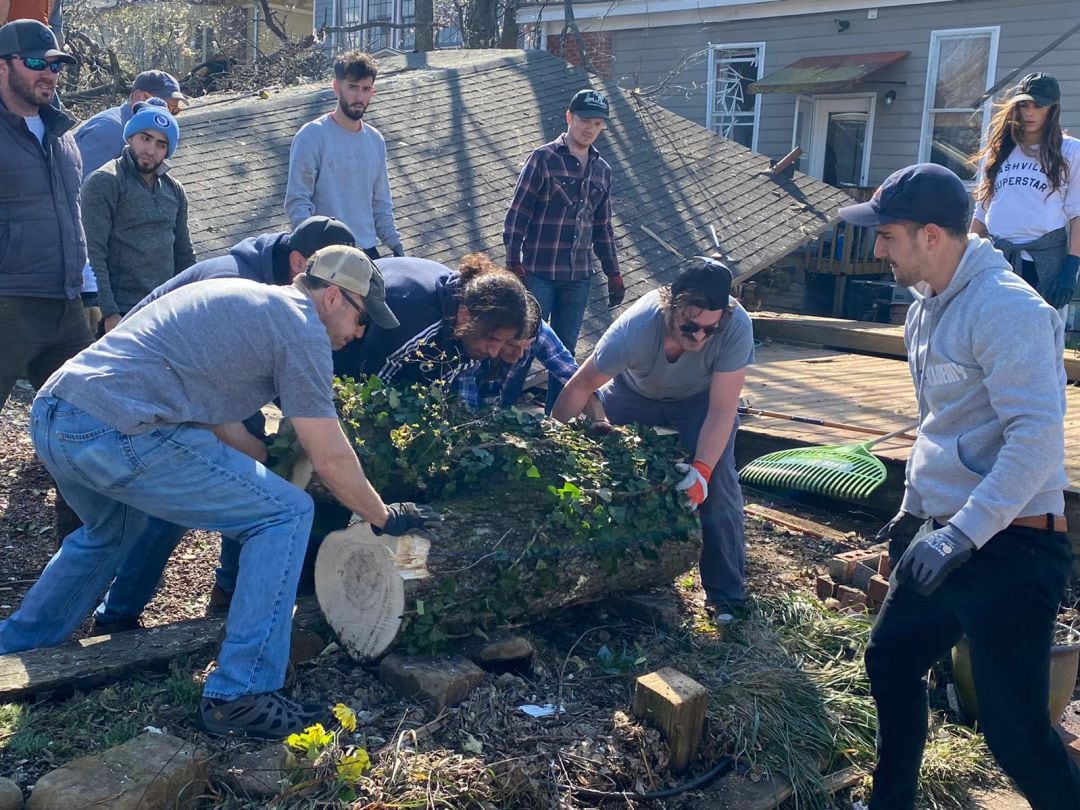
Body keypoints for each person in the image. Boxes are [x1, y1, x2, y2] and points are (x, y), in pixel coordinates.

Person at [0, 245, 442, 739]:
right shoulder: (301, 328)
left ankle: (18, 649)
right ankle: (241, 695)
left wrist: (263, 456)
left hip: (56, 416)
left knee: (113, 528)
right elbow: (330, 457)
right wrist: (383, 516)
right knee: (285, 514)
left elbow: (214, 413)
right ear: (335, 296)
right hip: (113, 429)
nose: (360, 333)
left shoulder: (240, 297)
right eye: (361, 319)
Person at [839, 163, 1080, 809]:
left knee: (1014, 733)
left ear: (932, 236)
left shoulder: (1007, 309)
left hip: (1015, 545)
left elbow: (1036, 441)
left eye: (887, 235)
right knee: (890, 658)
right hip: (948, 532)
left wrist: (961, 536)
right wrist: (910, 517)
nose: (877, 249)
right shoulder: (923, 310)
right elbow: (936, 427)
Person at [88, 216, 357, 634]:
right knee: (183, 498)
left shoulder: (282, 293)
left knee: (249, 481)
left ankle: (227, 595)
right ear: (303, 264)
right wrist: (251, 442)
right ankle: (118, 616)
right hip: (150, 395)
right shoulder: (235, 280)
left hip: (203, 389)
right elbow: (198, 374)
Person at [552, 257, 754, 615]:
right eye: (690, 327)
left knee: (720, 479)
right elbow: (579, 386)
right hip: (634, 394)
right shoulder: (635, 330)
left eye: (710, 329)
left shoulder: (736, 326)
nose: (700, 336)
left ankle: (727, 596)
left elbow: (722, 409)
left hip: (699, 400)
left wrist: (703, 469)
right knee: (605, 459)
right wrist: (552, 449)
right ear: (670, 307)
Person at [503, 88, 625, 412]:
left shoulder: (603, 171)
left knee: (565, 351)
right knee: (524, 344)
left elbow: (603, 228)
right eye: (585, 120)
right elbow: (517, 215)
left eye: (598, 124)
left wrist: (613, 272)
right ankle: (500, 411)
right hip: (539, 272)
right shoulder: (543, 158)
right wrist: (513, 263)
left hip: (579, 277)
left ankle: (556, 420)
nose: (590, 128)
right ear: (570, 118)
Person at [0, 18, 85, 413]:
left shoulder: (64, 135)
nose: (50, 74)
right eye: (36, 63)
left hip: (66, 307)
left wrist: (87, 288)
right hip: (9, 304)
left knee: (83, 417)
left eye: (56, 65)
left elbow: (74, 212)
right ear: (4, 65)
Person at [334, 253, 527, 389]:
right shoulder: (416, 319)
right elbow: (370, 387)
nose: (494, 352)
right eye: (492, 339)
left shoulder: (467, 324)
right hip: (339, 335)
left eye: (503, 342)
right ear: (465, 315)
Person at [971, 72, 1080, 311]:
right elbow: (981, 213)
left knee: (1037, 337)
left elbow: (1076, 214)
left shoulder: (1070, 151)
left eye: (1038, 106)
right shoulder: (998, 152)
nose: (1030, 113)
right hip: (998, 261)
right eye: (1024, 105)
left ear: (1052, 109)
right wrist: (967, 261)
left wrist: (1071, 267)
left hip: (1041, 263)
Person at [81, 103, 195, 332]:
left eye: (161, 144)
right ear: (131, 137)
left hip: (165, 307)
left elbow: (184, 253)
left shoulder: (174, 190)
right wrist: (109, 312)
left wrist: (194, 300)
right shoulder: (106, 181)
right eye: (145, 138)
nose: (150, 150)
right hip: (122, 312)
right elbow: (93, 252)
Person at [285, 50, 403, 261]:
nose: (359, 97)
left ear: (372, 92)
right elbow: (298, 202)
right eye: (353, 87)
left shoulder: (375, 140)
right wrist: (313, 249)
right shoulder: (312, 136)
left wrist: (396, 245)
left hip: (367, 253)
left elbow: (381, 204)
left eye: (365, 89)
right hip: (326, 253)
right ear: (337, 87)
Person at [453, 293, 605, 419]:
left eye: (525, 348)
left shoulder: (539, 332)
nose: (519, 355)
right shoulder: (475, 342)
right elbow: (464, 408)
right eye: (512, 346)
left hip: (502, 411)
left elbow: (574, 375)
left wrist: (599, 419)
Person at [75, 69, 188, 178]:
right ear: (138, 97)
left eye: (173, 110)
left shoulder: (153, 136)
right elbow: (82, 189)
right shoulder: (108, 130)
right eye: (163, 106)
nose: (167, 117)